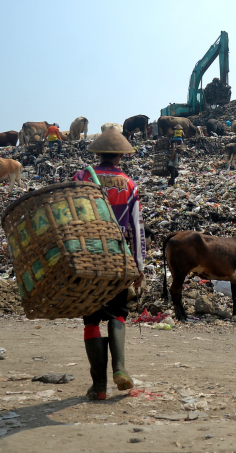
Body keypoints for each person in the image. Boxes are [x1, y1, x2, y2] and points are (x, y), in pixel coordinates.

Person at [73, 129, 146, 401]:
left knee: (91, 319)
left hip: (86, 256)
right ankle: (120, 368)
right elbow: (137, 228)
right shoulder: (128, 184)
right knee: (118, 313)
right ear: (120, 155)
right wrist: (138, 267)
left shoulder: (81, 177)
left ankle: (99, 386)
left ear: (99, 153)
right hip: (116, 255)